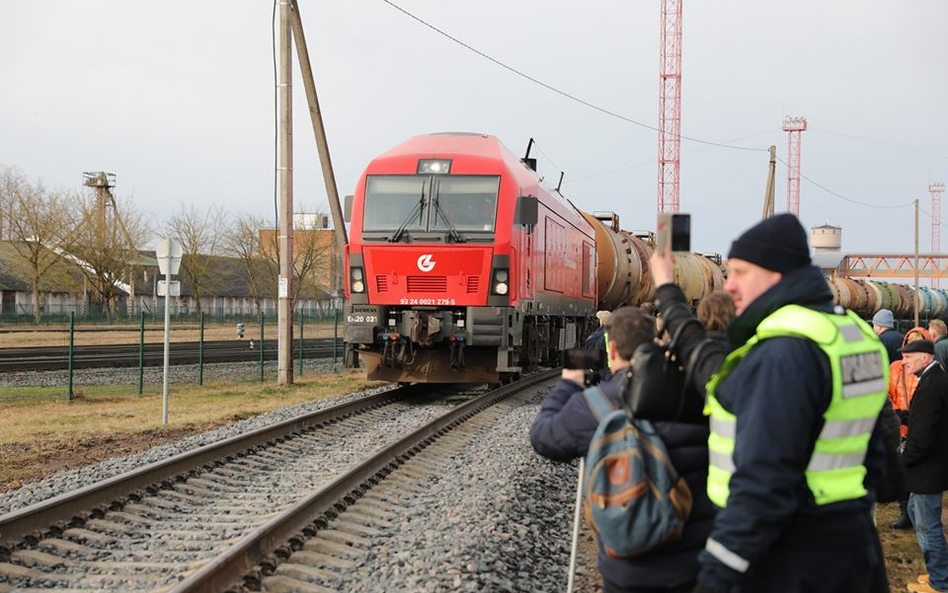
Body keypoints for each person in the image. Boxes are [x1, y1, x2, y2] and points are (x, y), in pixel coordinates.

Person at [649, 213, 889, 593]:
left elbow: (761, 486)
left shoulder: (783, 352)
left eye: (740, 272)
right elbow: (881, 458)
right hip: (854, 545)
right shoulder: (851, 334)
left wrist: (716, 577)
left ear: (776, 273)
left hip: (790, 553)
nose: (729, 286)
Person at [530, 306, 714, 593]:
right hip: (695, 563)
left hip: (629, 570)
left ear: (611, 349)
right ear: (654, 342)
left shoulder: (593, 405)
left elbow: (543, 438)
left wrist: (568, 385)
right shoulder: (696, 391)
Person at [900, 339, 948, 593]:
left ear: (926, 358)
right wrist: (905, 416)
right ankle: (940, 572)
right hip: (930, 466)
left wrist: (902, 460)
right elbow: (927, 419)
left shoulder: (931, 385)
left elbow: (924, 437)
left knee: (928, 526)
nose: (904, 362)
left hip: (927, 469)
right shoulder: (934, 379)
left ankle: (940, 582)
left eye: (909, 357)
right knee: (916, 512)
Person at [888, 326, 934, 529]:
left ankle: (913, 513)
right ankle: (905, 511)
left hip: (916, 427)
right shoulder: (896, 367)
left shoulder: (931, 373)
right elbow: (888, 392)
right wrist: (894, 413)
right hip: (900, 425)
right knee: (899, 471)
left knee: (913, 471)